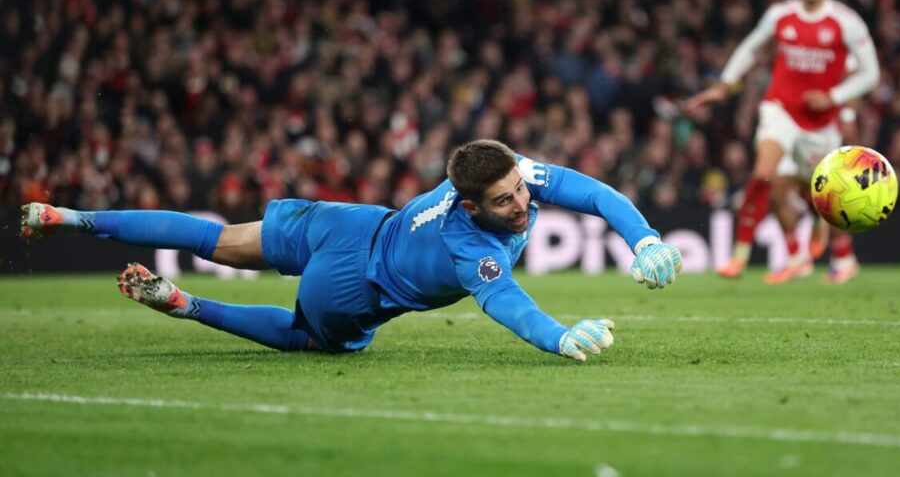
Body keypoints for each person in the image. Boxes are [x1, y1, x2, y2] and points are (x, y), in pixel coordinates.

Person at [20, 140, 682, 361]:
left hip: (346, 224)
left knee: (220, 239)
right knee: (309, 339)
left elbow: (591, 192)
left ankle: (74, 217)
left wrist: (644, 234)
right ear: (473, 206)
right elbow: (506, 300)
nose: (523, 205)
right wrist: (560, 336)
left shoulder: (505, 172)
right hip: (353, 282)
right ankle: (186, 302)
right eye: (506, 202)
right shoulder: (466, 242)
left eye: (522, 190)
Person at [684, 0, 879, 284]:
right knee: (766, 174)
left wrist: (834, 97)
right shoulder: (780, 15)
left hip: (820, 126)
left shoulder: (846, 22)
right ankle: (746, 255)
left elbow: (871, 74)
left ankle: (843, 257)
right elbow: (750, 47)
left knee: (816, 198)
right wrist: (725, 84)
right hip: (780, 110)